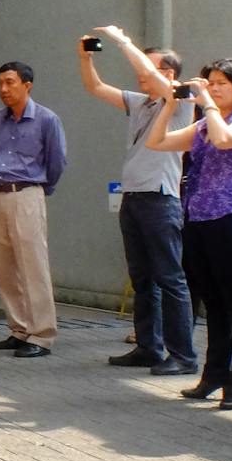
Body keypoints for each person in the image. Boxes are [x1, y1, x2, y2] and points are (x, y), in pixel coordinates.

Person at [77, 28, 197, 373]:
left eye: (150, 68)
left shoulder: (179, 100)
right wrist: (85, 58)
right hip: (134, 198)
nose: (140, 75)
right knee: (142, 278)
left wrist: (123, 42)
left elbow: (150, 75)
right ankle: (148, 347)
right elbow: (95, 88)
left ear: (168, 74)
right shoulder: (140, 102)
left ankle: (184, 356)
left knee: (170, 279)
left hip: (160, 200)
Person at [147, 60, 232, 409]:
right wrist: (170, 105)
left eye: (220, 83)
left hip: (231, 216)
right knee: (213, 302)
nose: (211, 89)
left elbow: (226, 140)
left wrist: (205, 102)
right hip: (197, 217)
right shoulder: (202, 124)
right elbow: (157, 141)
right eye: (209, 83)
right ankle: (214, 376)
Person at [0, 61, 67, 357]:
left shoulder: (47, 119)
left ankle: (42, 334)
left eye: (10, 82)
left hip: (27, 193)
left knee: (33, 265)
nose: (3, 89)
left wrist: (40, 190)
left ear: (27, 85)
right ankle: (19, 329)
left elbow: (57, 161)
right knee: (5, 267)